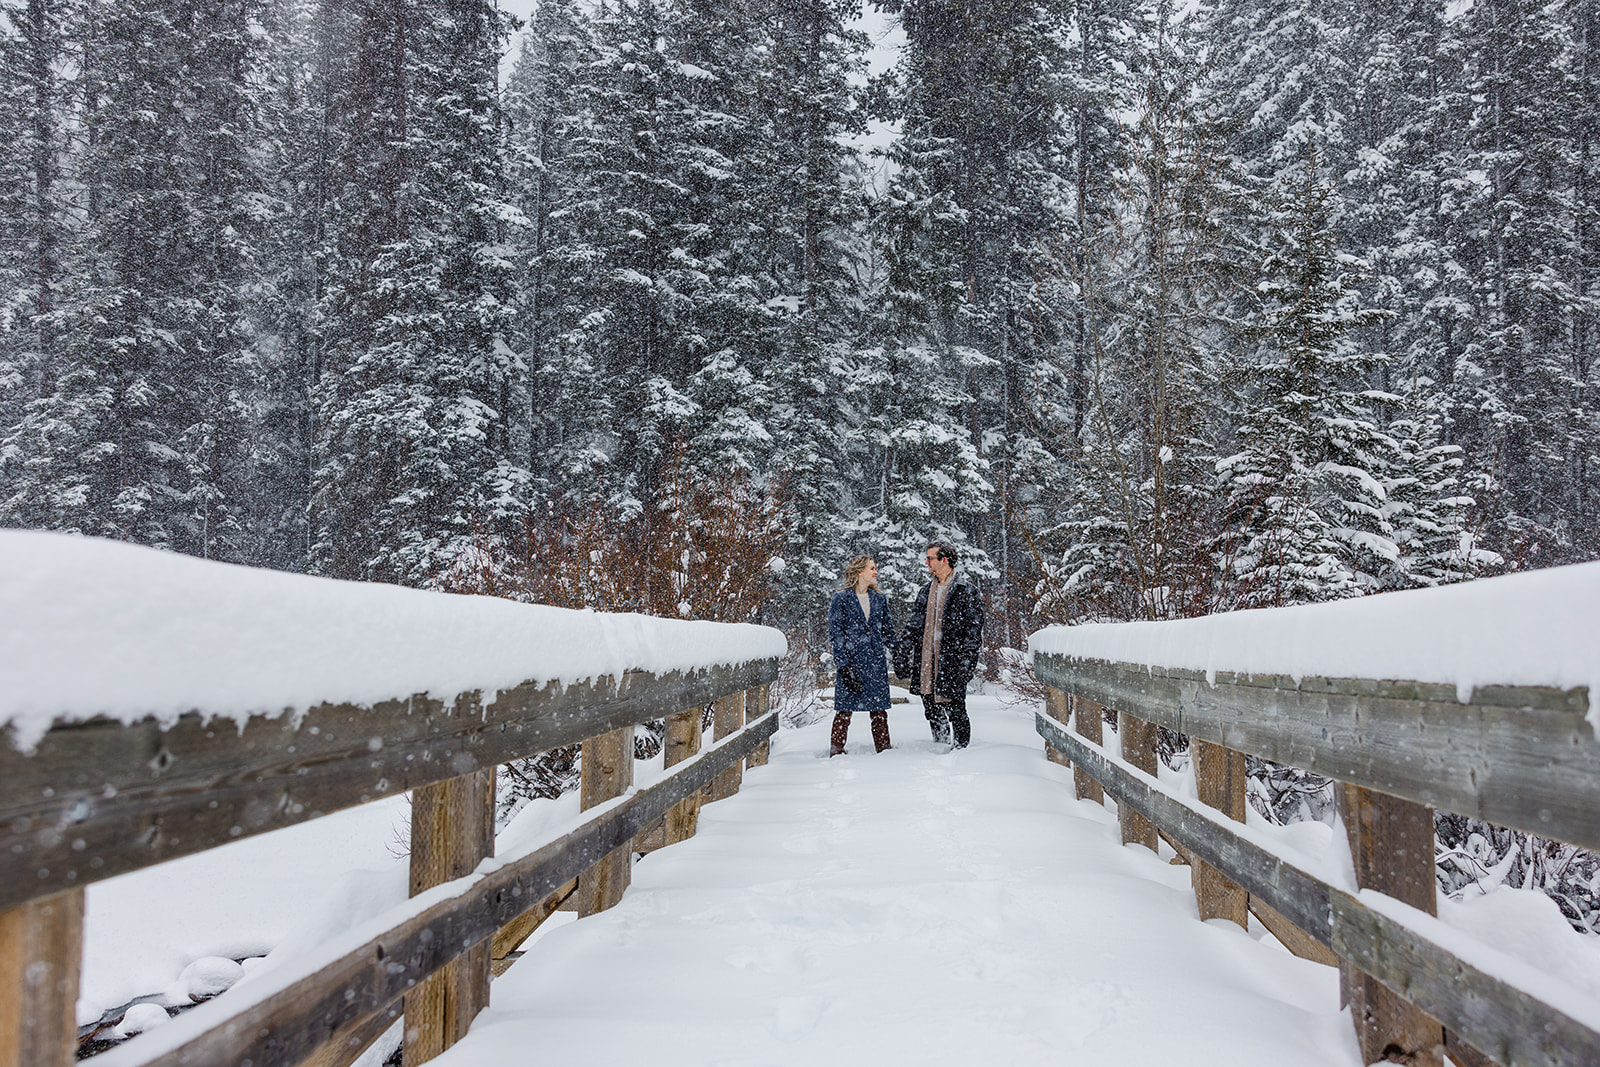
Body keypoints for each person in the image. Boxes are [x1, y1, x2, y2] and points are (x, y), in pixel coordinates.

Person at [896, 540, 983, 748]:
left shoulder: (966, 591)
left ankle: (961, 752)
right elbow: (913, 626)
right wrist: (902, 653)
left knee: (956, 709)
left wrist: (966, 665)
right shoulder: (926, 591)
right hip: (926, 661)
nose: (927, 563)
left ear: (944, 560)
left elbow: (973, 634)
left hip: (951, 662)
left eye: (930, 558)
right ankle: (939, 747)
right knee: (931, 707)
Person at [826, 556, 896, 756]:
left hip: (875, 663)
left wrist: (899, 654)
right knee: (844, 711)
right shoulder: (840, 599)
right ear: (859, 572)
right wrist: (843, 666)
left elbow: (888, 632)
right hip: (852, 664)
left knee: (879, 711)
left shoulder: (879, 599)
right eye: (872, 568)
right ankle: (836, 751)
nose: (876, 572)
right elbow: (835, 634)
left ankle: (884, 751)